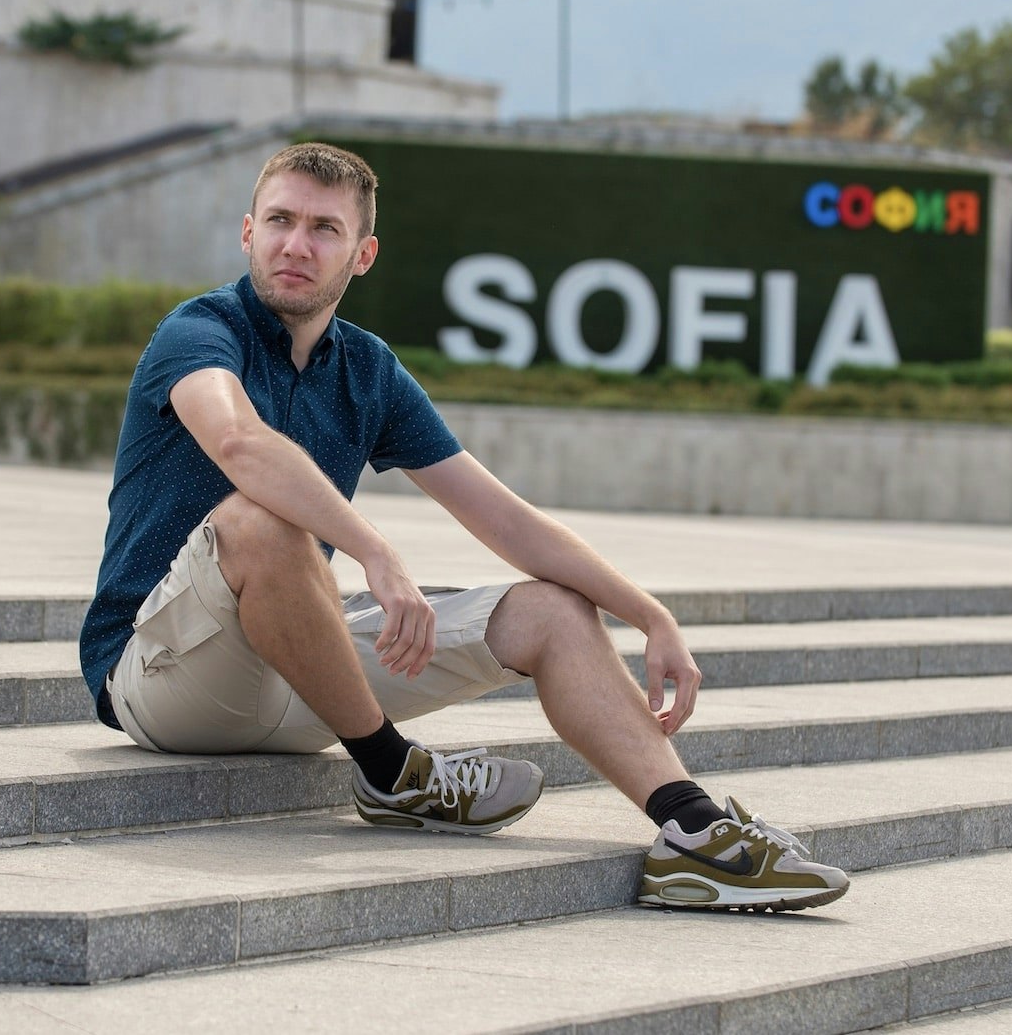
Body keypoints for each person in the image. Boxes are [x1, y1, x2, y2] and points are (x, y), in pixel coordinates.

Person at [79, 143, 848, 911]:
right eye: (280, 220)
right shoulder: (199, 331)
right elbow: (239, 444)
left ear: (363, 253)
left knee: (551, 608)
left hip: (299, 666)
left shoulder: (368, 370)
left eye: (324, 228)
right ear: (248, 231)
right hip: (164, 672)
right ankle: (393, 771)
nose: (295, 244)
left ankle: (695, 834)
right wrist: (373, 549)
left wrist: (648, 612)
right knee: (262, 521)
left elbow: (502, 515)